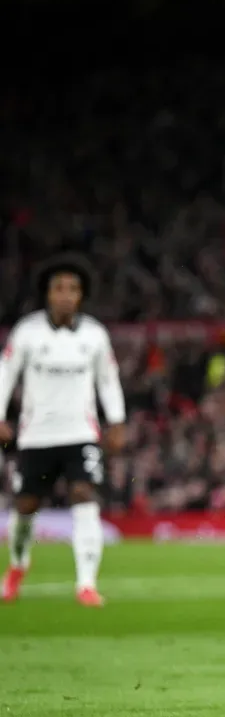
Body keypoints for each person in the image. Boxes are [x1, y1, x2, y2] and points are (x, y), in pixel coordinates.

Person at [0, 256, 126, 606]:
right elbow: (5, 374)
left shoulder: (95, 335)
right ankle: (17, 566)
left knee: (84, 495)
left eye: (73, 289)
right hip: (36, 435)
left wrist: (116, 420)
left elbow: (108, 379)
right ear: (47, 294)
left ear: (82, 295)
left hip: (80, 434)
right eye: (59, 289)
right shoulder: (27, 332)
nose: (66, 296)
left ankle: (86, 584)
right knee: (26, 507)